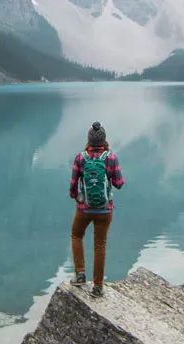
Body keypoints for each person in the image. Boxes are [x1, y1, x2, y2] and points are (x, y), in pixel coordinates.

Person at [69, 121, 124, 297]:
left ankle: (80, 274)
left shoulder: (80, 158)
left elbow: (72, 187)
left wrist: (76, 196)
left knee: (76, 236)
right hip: (105, 209)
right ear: (103, 140)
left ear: (89, 140)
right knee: (100, 245)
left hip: (84, 209)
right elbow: (119, 184)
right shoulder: (111, 158)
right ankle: (98, 286)